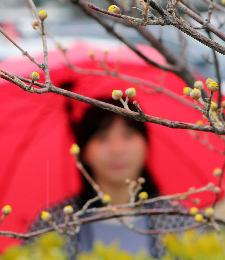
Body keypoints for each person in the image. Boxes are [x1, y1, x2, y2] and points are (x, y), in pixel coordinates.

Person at [29, 100, 193, 259]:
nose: (117, 149)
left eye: (128, 135)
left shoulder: (178, 220)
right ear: (83, 152)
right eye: (102, 138)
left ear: (146, 144)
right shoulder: (54, 225)